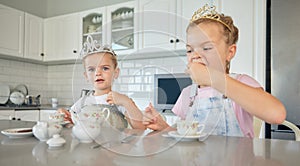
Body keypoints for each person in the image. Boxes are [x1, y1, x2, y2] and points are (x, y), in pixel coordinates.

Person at [143, 4, 286, 138]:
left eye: (206, 48)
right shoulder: (188, 94)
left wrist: (213, 78)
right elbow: (186, 135)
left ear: (230, 52)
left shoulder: (240, 83)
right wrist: (164, 128)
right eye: (189, 50)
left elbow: (277, 114)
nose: (195, 55)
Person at [59, 35, 145, 130]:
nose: (98, 73)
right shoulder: (83, 102)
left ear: (115, 73)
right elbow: (74, 122)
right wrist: (66, 116)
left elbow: (140, 127)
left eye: (105, 68)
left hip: (115, 144)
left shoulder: (119, 100)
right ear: (86, 76)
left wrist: (127, 102)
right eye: (92, 69)